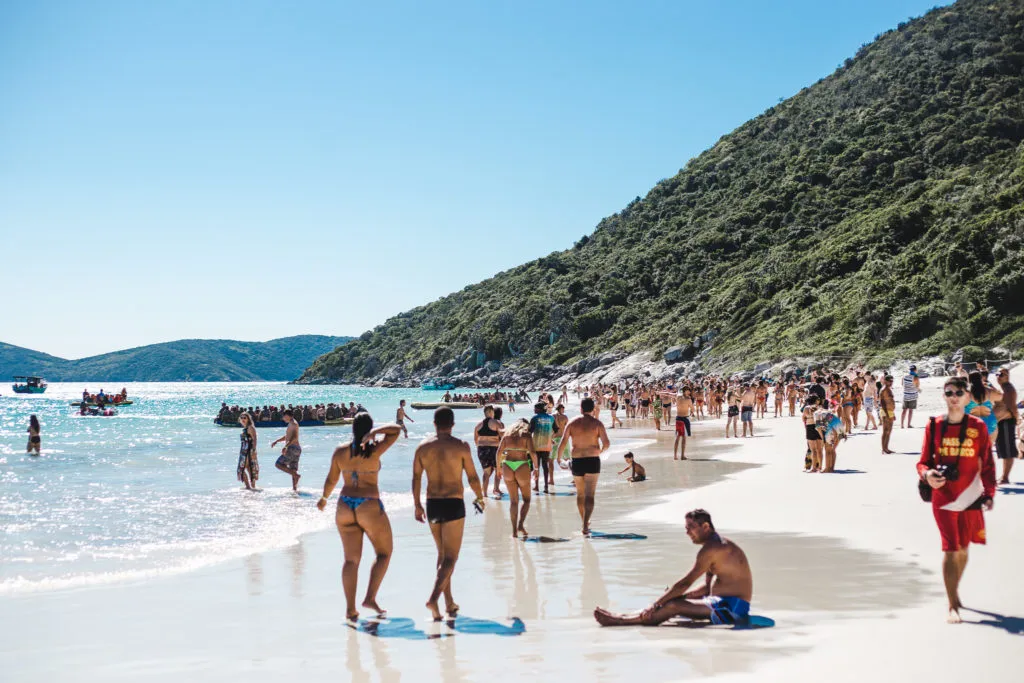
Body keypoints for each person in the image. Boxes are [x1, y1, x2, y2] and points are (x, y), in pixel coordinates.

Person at [918, 376, 996, 624]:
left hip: (972, 494)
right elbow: (922, 462)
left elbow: (987, 462)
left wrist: (990, 492)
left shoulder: (979, 427)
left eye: (958, 392)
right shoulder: (935, 425)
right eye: (949, 392)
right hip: (943, 495)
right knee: (951, 548)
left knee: (963, 548)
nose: (953, 397)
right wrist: (927, 474)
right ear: (944, 395)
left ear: (967, 397)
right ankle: (952, 604)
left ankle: (955, 592)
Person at [594, 509, 752, 626]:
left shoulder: (712, 549)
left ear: (705, 526)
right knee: (673, 601)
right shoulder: (715, 545)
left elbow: (685, 583)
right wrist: (679, 597)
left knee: (673, 606)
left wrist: (657, 604)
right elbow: (706, 588)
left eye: (690, 527)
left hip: (732, 608)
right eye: (686, 528)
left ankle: (622, 620)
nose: (687, 532)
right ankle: (629, 615)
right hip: (720, 602)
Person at [317, 413, 401, 622]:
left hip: (344, 504)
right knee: (384, 553)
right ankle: (370, 598)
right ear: (369, 429)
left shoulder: (340, 452)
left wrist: (324, 499)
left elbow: (331, 479)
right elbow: (396, 430)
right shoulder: (373, 450)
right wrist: (376, 433)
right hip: (368, 504)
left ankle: (350, 610)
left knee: (351, 560)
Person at [413, 407, 486, 621]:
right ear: (452, 424)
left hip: (432, 503)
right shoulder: (460, 446)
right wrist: (480, 498)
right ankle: (434, 599)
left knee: (442, 555)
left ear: (434, 423)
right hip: (453, 503)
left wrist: (417, 505)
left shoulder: (422, 447)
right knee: (451, 558)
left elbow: (416, 478)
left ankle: (448, 603)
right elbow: (472, 476)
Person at [555, 397, 610, 536]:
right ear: (593, 409)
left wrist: (558, 458)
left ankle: (583, 521)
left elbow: (563, 441)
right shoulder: (597, 423)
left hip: (577, 460)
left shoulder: (573, 423)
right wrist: (600, 451)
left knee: (580, 494)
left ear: (581, 408)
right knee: (590, 494)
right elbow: (607, 443)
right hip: (592, 459)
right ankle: (586, 523)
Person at [496, 419, 538, 538]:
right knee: (527, 500)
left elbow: (499, 453)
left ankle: (514, 532)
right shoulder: (526, 435)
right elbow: (533, 453)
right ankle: (520, 524)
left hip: (507, 466)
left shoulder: (507, 435)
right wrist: (536, 469)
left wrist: (498, 468)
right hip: (522, 465)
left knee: (513, 501)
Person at [993, 367, 1019, 484]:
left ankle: (1005, 477)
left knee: (1008, 450)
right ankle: (1003, 476)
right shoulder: (1002, 388)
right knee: (1003, 450)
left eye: (1001, 374)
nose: (998, 376)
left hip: (1007, 422)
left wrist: (1016, 419)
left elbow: (1012, 407)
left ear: (1007, 376)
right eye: (997, 374)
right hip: (1001, 422)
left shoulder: (1008, 389)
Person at [473, 406, 502, 499]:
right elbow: (503, 438)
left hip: (482, 449)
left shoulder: (478, 425)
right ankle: (496, 489)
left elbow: (476, 440)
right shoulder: (497, 423)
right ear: (491, 412)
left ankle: (484, 493)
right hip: (494, 449)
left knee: (486, 472)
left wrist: (482, 447)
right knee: (498, 470)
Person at [528, 402, 556, 494]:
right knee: (545, 466)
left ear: (539, 409)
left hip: (536, 446)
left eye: (535, 408)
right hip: (547, 446)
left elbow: (529, 432)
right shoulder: (551, 418)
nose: (534, 410)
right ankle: (546, 487)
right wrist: (549, 437)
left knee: (536, 467)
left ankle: (536, 486)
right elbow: (556, 430)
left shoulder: (535, 418)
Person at [271, 409, 302, 491]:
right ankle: (295, 491)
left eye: (284, 416)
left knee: (278, 464)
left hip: (293, 448)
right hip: (297, 449)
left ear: (288, 416)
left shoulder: (293, 424)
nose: (283, 418)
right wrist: (277, 441)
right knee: (293, 470)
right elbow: (288, 436)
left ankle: (297, 476)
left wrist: (286, 446)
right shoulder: (291, 424)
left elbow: (294, 438)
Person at [237, 412, 259, 490]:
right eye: (241, 418)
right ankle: (252, 487)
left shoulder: (250, 427)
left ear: (248, 419)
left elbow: (255, 439)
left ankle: (248, 487)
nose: (243, 419)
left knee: (242, 469)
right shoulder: (245, 428)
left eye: (244, 418)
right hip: (244, 450)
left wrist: (253, 450)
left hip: (248, 450)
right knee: (249, 468)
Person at [803, 396, 823, 472]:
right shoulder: (820, 407)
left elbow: (804, 417)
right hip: (819, 427)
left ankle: (814, 468)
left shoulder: (806, 408)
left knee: (813, 450)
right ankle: (820, 467)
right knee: (820, 449)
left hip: (810, 427)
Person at [880, 375, 896, 454]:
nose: (891, 382)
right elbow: (882, 402)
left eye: (892, 381)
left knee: (889, 430)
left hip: (890, 411)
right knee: (886, 430)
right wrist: (886, 413)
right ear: (885, 381)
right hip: (886, 411)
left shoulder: (888, 389)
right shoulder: (884, 389)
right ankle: (884, 448)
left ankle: (886, 448)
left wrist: (893, 413)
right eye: (890, 381)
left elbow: (890, 401)